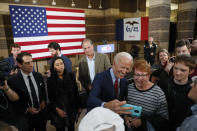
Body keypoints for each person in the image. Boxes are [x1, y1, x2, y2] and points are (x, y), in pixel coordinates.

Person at [7, 52, 47, 131]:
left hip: (41, 115)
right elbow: (13, 103)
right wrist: (27, 110)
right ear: (19, 64)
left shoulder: (38, 76)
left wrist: (43, 100)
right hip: (25, 118)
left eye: (31, 62)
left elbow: (43, 91)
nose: (31, 65)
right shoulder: (13, 81)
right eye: (27, 63)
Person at [125, 60, 169, 131]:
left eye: (143, 75)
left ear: (149, 75)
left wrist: (142, 122)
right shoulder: (128, 88)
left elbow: (164, 119)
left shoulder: (158, 93)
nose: (139, 78)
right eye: (137, 75)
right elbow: (123, 108)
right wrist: (126, 117)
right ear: (133, 75)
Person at [47, 57, 80, 131]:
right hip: (58, 110)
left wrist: (79, 106)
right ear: (54, 67)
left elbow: (76, 92)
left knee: (71, 128)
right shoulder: (50, 80)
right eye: (57, 64)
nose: (60, 66)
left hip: (71, 109)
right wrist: (57, 110)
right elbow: (50, 98)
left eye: (61, 63)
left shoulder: (71, 75)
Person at [78, 39, 111, 106]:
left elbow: (109, 72)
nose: (87, 50)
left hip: (103, 90)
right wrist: (88, 86)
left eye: (88, 47)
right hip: (90, 91)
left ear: (93, 46)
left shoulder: (104, 57)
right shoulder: (81, 61)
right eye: (85, 48)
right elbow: (82, 78)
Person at [168, 55, 196, 131]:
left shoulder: (193, 92)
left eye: (183, 70)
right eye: (175, 68)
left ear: (191, 71)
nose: (177, 73)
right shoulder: (163, 84)